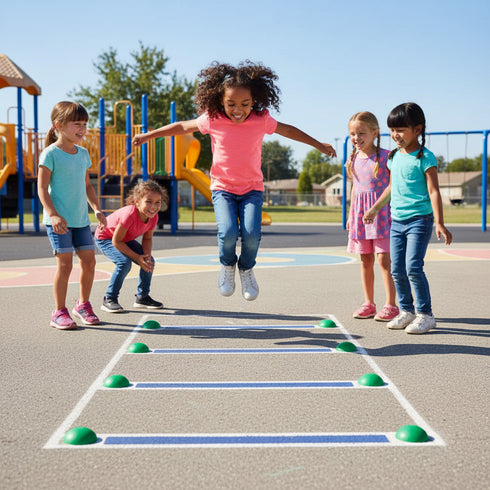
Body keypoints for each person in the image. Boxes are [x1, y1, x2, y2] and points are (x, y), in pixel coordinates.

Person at [132, 60, 336, 301]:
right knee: (228, 232)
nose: (238, 109)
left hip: (252, 189)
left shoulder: (261, 119)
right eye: (231, 104)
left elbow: (289, 130)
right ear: (220, 101)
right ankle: (228, 266)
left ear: (254, 100)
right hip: (223, 189)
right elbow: (181, 127)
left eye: (245, 104)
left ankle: (246, 268)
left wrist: (317, 144)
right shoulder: (213, 119)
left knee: (252, 233)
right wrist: (150, 135)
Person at [364, 102, 452, 334]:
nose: (396, 135)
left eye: (401, 130)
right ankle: (406, 311)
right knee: (396, 269)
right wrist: (374, 209)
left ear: (418, 129)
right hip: (397, 221)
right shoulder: (393, 157)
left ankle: (425, 314)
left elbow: (434, 191)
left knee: (413, 267)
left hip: (419, 220)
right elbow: (391, 188)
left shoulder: (425, 157)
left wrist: (439, 222)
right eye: (393, 130)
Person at [38, 101, 107, 330]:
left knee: (89, 261)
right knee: (65, 265)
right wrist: (53, 215)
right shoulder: (50, 154)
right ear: (59, 125)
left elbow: (87, 185)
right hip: (59, 222)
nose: (82, 128)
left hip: (80, 220)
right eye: (77, 123)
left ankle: (83, 305)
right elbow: (41, 188)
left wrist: (96, 208)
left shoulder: (83, 154)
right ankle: (58, 311)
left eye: (85, 123)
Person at [346, 112, 399, 322]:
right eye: (352, 134)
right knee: (365, 260)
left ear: (374, 133)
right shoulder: (352, 158)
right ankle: (368, 303)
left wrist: (376, 208)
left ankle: (391, 305)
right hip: (361, 215)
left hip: (382, 214)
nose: (356, 138)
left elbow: (392, 186)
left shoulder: (387, 156)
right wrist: (352, 214)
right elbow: (354, 188)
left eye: (361, 133)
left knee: (384, 261)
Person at [94, 179, 168, 313]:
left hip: (124, 239)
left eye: (157, 202)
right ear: (137, 201)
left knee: (149, 261)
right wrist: (136, 257)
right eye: (148, 202)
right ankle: (109, 299)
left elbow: (147, 238)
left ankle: (142, 297)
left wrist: (145, 257)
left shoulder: (153, 217)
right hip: (106, 238)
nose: (153, 207)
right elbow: (116, 241)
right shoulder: (129, 215)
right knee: (124, 263)